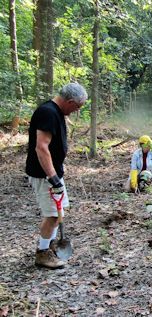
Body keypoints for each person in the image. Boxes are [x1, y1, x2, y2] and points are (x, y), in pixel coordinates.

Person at [26, 83, 88, 269]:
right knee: (52, 215)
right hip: (45, 175)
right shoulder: (48, 113)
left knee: (58, 212)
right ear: (69, 101)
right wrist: (53, 178)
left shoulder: (55, 112)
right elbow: (41, 147)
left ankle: (50, 245)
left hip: (53, 172)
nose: (77, 111)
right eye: (77, 107)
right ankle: (43, 253)